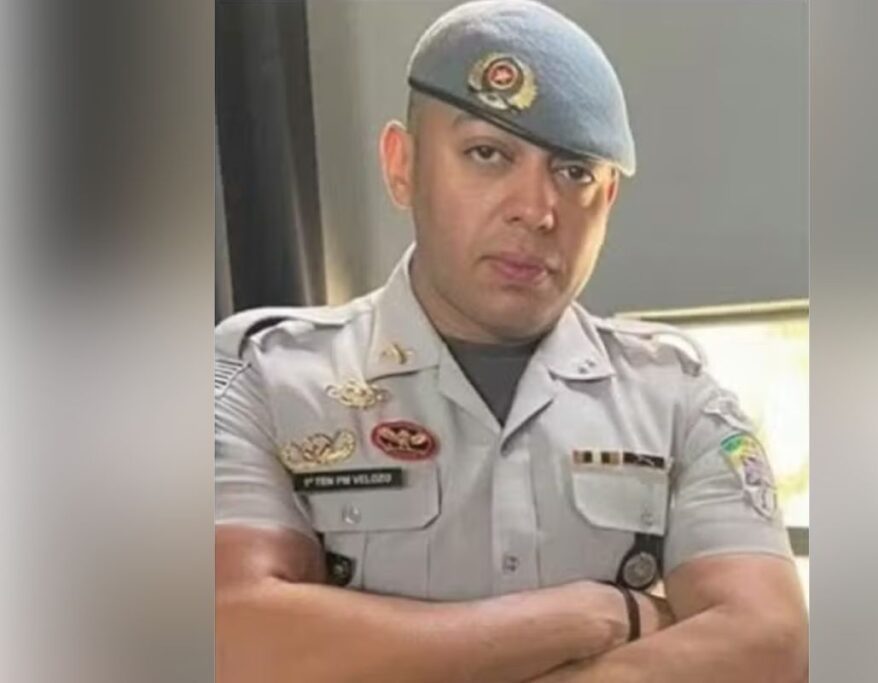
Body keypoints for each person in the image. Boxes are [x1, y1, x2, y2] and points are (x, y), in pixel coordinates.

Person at [214, 1, 808, 681]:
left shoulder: (676, 396)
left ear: (607, 200)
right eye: (488, 154)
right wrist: (593, 614)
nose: (536, 210)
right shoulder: (264, 376)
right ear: (403, 165)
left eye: (574, 171)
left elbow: (772, 642)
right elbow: (231, 637)